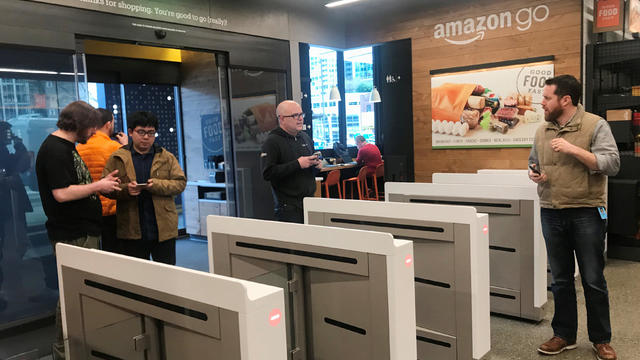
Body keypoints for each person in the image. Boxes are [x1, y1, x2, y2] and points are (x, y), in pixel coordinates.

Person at [529, 75, 620, 360]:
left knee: (593, 279)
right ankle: (564, 335)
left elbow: (612, 164)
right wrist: (535, 174)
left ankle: (601, 339)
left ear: (565, 100)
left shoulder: (596, 125)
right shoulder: (542, 131)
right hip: (551, 210)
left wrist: (573, 149)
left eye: (547, 98)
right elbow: (534, 162)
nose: (541, 103)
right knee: (560, 279)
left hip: (587, 211)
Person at [35, 100, 121, 360]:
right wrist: (99, 186)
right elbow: (61, 194)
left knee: (77, 294)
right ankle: (65, 354)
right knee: (72, 297)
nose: (93, 133)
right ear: (80, 125)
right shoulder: (55, 150)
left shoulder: (64, 147)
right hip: (74, 234)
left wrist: (98, 185)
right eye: (91, 128)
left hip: (80, 232)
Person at [103, 111, 186, 265]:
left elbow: (180, 183)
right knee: (136, 278)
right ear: (130, 132)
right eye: (141, 132)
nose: (146, 137)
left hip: (163, 229)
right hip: (131, 229)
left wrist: (157, 185)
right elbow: (105, 188)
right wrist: (126, 189)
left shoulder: (166, 157)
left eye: (151, 133)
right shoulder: (118, 157)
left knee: (166, 275)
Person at [76, 108, 127, 253]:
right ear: (108, 124)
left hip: (89, 207)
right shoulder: (114, 147)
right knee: (115, 251)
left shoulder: (79, 147)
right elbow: (128, 170)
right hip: (112, 208)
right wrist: (125, 146)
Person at [261, 100, 320, 223]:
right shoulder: (272, 141)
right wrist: (297, 164)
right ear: (281, 119)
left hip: (310, 201)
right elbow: (268, 173)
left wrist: (315, 165)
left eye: (301, 115)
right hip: (288, 208)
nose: (300, 119)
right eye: (294, 116)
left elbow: (307, 167)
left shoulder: (305, 137)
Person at [0, 121, 33, 311]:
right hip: (6, 206)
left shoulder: (6, 149)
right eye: (5, 131)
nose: (9, 134)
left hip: (12, 205)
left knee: (18, 240)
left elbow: (19, 167)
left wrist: (20, 146)